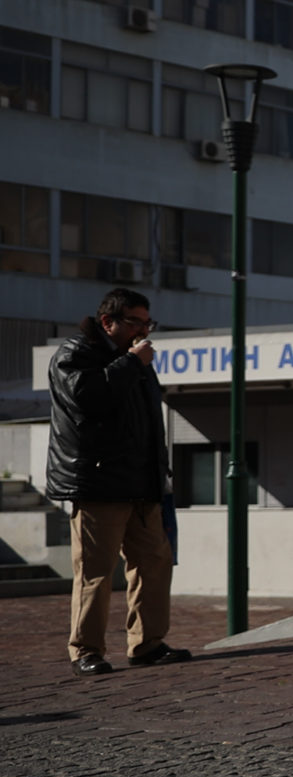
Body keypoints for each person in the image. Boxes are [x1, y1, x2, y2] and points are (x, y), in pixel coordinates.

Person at [48, 287, 189, 676]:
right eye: (135, 323)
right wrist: (130, 363)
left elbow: (147, 424)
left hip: (143, 485)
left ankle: (148, 644)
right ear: (108, 321)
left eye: (148, 323)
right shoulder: (75, 354)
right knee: (96, 570)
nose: (144, 331)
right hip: (98, 484)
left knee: (154, 564)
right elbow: (88, 398)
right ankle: (86, 650)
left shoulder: (137, 361)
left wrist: (159, 475)